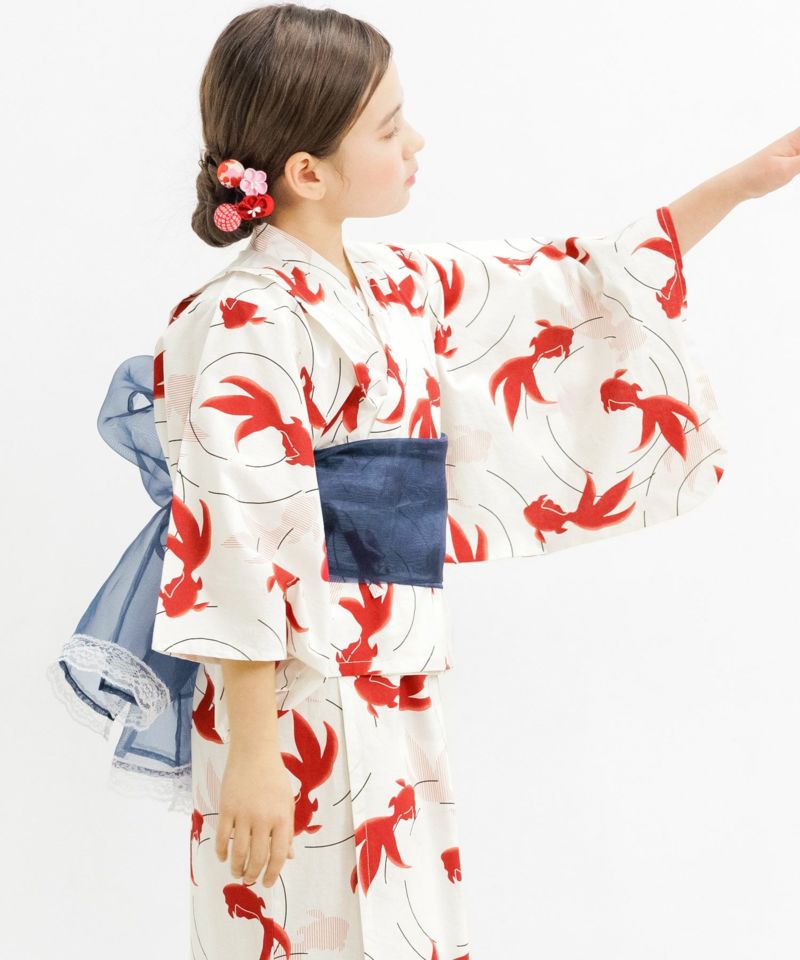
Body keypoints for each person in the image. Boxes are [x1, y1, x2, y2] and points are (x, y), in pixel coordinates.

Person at [46, 3, 800, 957]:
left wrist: (737, 186)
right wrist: (253, 755)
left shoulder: (400, 282)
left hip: (396, 669)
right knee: (297, 927)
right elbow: (234, 531)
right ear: (308, 171)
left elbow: (569, 282)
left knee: (406, 931)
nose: (417, 141)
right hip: (290, 694)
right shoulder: (243, 319)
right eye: (390, 126)